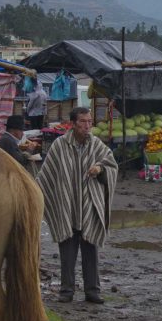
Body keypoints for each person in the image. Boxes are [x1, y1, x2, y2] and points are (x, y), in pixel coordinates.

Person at [37, 107, 119, 304]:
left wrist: (100, 169)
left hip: (89, 205)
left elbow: (111, 165)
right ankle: (66, 291)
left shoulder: (96, 144)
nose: (87, 125)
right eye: (83, 122)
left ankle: (93, 291)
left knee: (90, 249)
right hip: (67, 205)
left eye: (90, 121)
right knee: (67, 250)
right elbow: (46, 175)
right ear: (72, 124)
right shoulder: (60, 145)